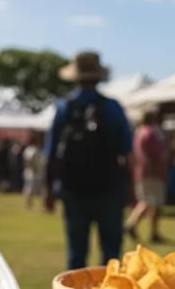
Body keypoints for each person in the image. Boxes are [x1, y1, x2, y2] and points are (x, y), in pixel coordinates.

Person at [45, 51, 134, 270]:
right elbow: (128, 154)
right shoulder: (113, 107)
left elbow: (51, 154)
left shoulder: (64, 108)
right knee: (111, 255)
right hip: (110, 188)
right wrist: (131, 188)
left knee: (76, 254)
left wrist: (49, 190)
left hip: (72, 190)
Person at [124, 110, 168, 242]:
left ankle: (140, 227)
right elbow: (157, 153)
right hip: (153, 172)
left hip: (141, 170)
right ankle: (135, 226)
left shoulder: (138, 132)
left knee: (146, 201)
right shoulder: (151, 133)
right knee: (153, 202)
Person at [22, 133, 45, 210]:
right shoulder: (31, 150)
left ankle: (42, 205)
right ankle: (29, 205)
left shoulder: (37, 149)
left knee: (40, 190)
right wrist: (32, 169)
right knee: (30, 189)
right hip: (32, 173)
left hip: (36, 173)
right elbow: (28, 161)